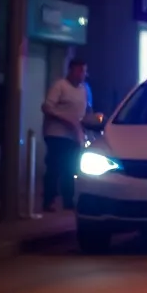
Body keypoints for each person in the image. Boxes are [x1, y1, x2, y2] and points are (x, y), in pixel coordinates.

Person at [42, 58, 90, 212]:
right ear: (71, 70)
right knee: (54, 168)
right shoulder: (60, 86)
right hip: (57, 134)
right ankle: (48, 200)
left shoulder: (84, 89)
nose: (83, 74)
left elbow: (85, 110)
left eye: (84, 71)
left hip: (74, 135)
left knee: (70, 169)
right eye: (80, 70)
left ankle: (68, 201)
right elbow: (47, 107)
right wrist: (64, 118)